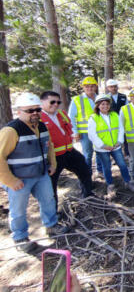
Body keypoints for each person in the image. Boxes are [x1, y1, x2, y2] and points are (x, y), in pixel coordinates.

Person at [0, 93, 69, 252]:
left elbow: (49, 146)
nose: (34, 113)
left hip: (41, 174)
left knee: (48, 200)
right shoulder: (11, 131)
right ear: (19, 111)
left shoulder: (42, 126)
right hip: (19, 178)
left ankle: (51, 226)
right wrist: (10, 181)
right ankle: (20, 237)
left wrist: (52, 163)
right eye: (30, 110)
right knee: (18, 209)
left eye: (37, 109)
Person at [40, 91, 93, 210]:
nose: (55, 104)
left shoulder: (62, 114)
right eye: (52, 102)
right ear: (42, 102)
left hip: (69, 151)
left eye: (58, 102)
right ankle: (53, 213)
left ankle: (88, 195)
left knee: (85, 170)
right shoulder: (38, 119)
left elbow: (70, 128)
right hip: (53, 157)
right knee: (51, 186)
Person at [88, 95, 134, 198]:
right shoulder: (94, 118)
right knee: (106, 167)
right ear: (98, 106)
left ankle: (128, 182)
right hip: (102, 149)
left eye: (107, 104)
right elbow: (92, 134)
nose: (105, 106)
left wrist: (119, 141)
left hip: (116, 146)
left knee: (123, 165)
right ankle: (110, 185)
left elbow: (120, 129)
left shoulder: (115, 115)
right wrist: (103, 145)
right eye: (102, 104)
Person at [68, 76, 103, 177]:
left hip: (99, 131)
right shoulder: (77, 100)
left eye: (92, 86)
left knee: (100, 152)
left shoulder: (100, 98)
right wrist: (75, 131)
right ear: (83, 87)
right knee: (87, 155)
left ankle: (100, 171)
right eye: (87, 86)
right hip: (84, 133)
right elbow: (71, 117)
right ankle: (87, 176)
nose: (90, 88)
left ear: (96, 87)